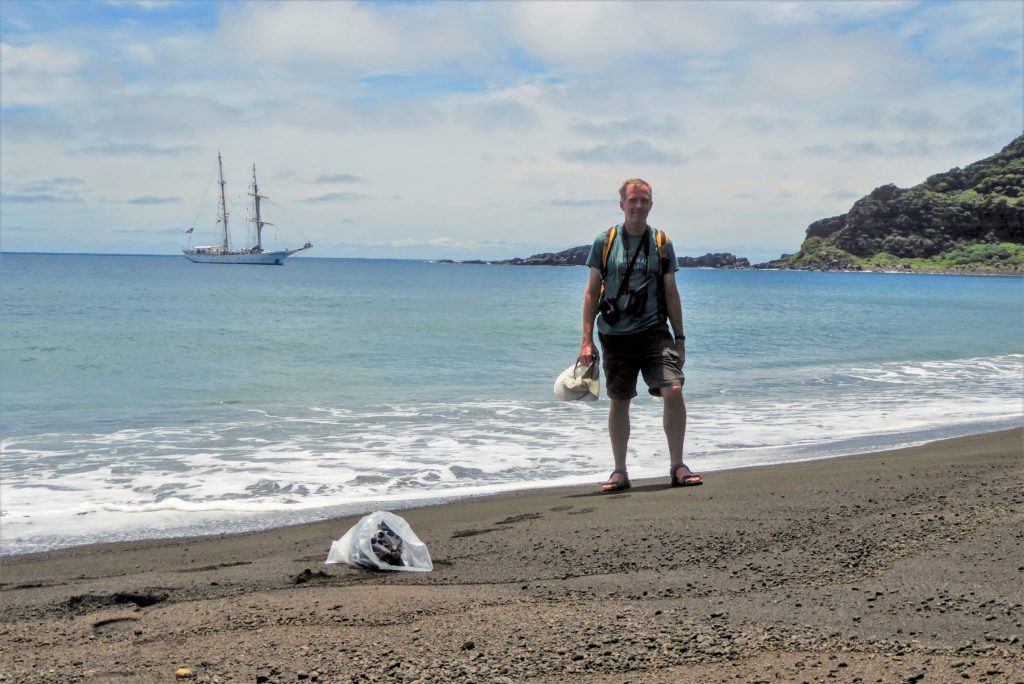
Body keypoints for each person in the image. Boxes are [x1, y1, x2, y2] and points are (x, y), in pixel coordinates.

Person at [579, 178, 702, 492]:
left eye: (643, 200)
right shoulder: (604, 241)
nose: (637, 206)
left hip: (654, 332)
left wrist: (680, 338)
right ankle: (619, 471)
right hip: (615, 336)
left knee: (673, 389)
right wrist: (586, 340)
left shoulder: (661, 242)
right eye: (632, 200)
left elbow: (671, 293)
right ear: (622, 204)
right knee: (620, 400)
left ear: (650, 205)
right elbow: (592, 293)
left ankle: (677, 465)